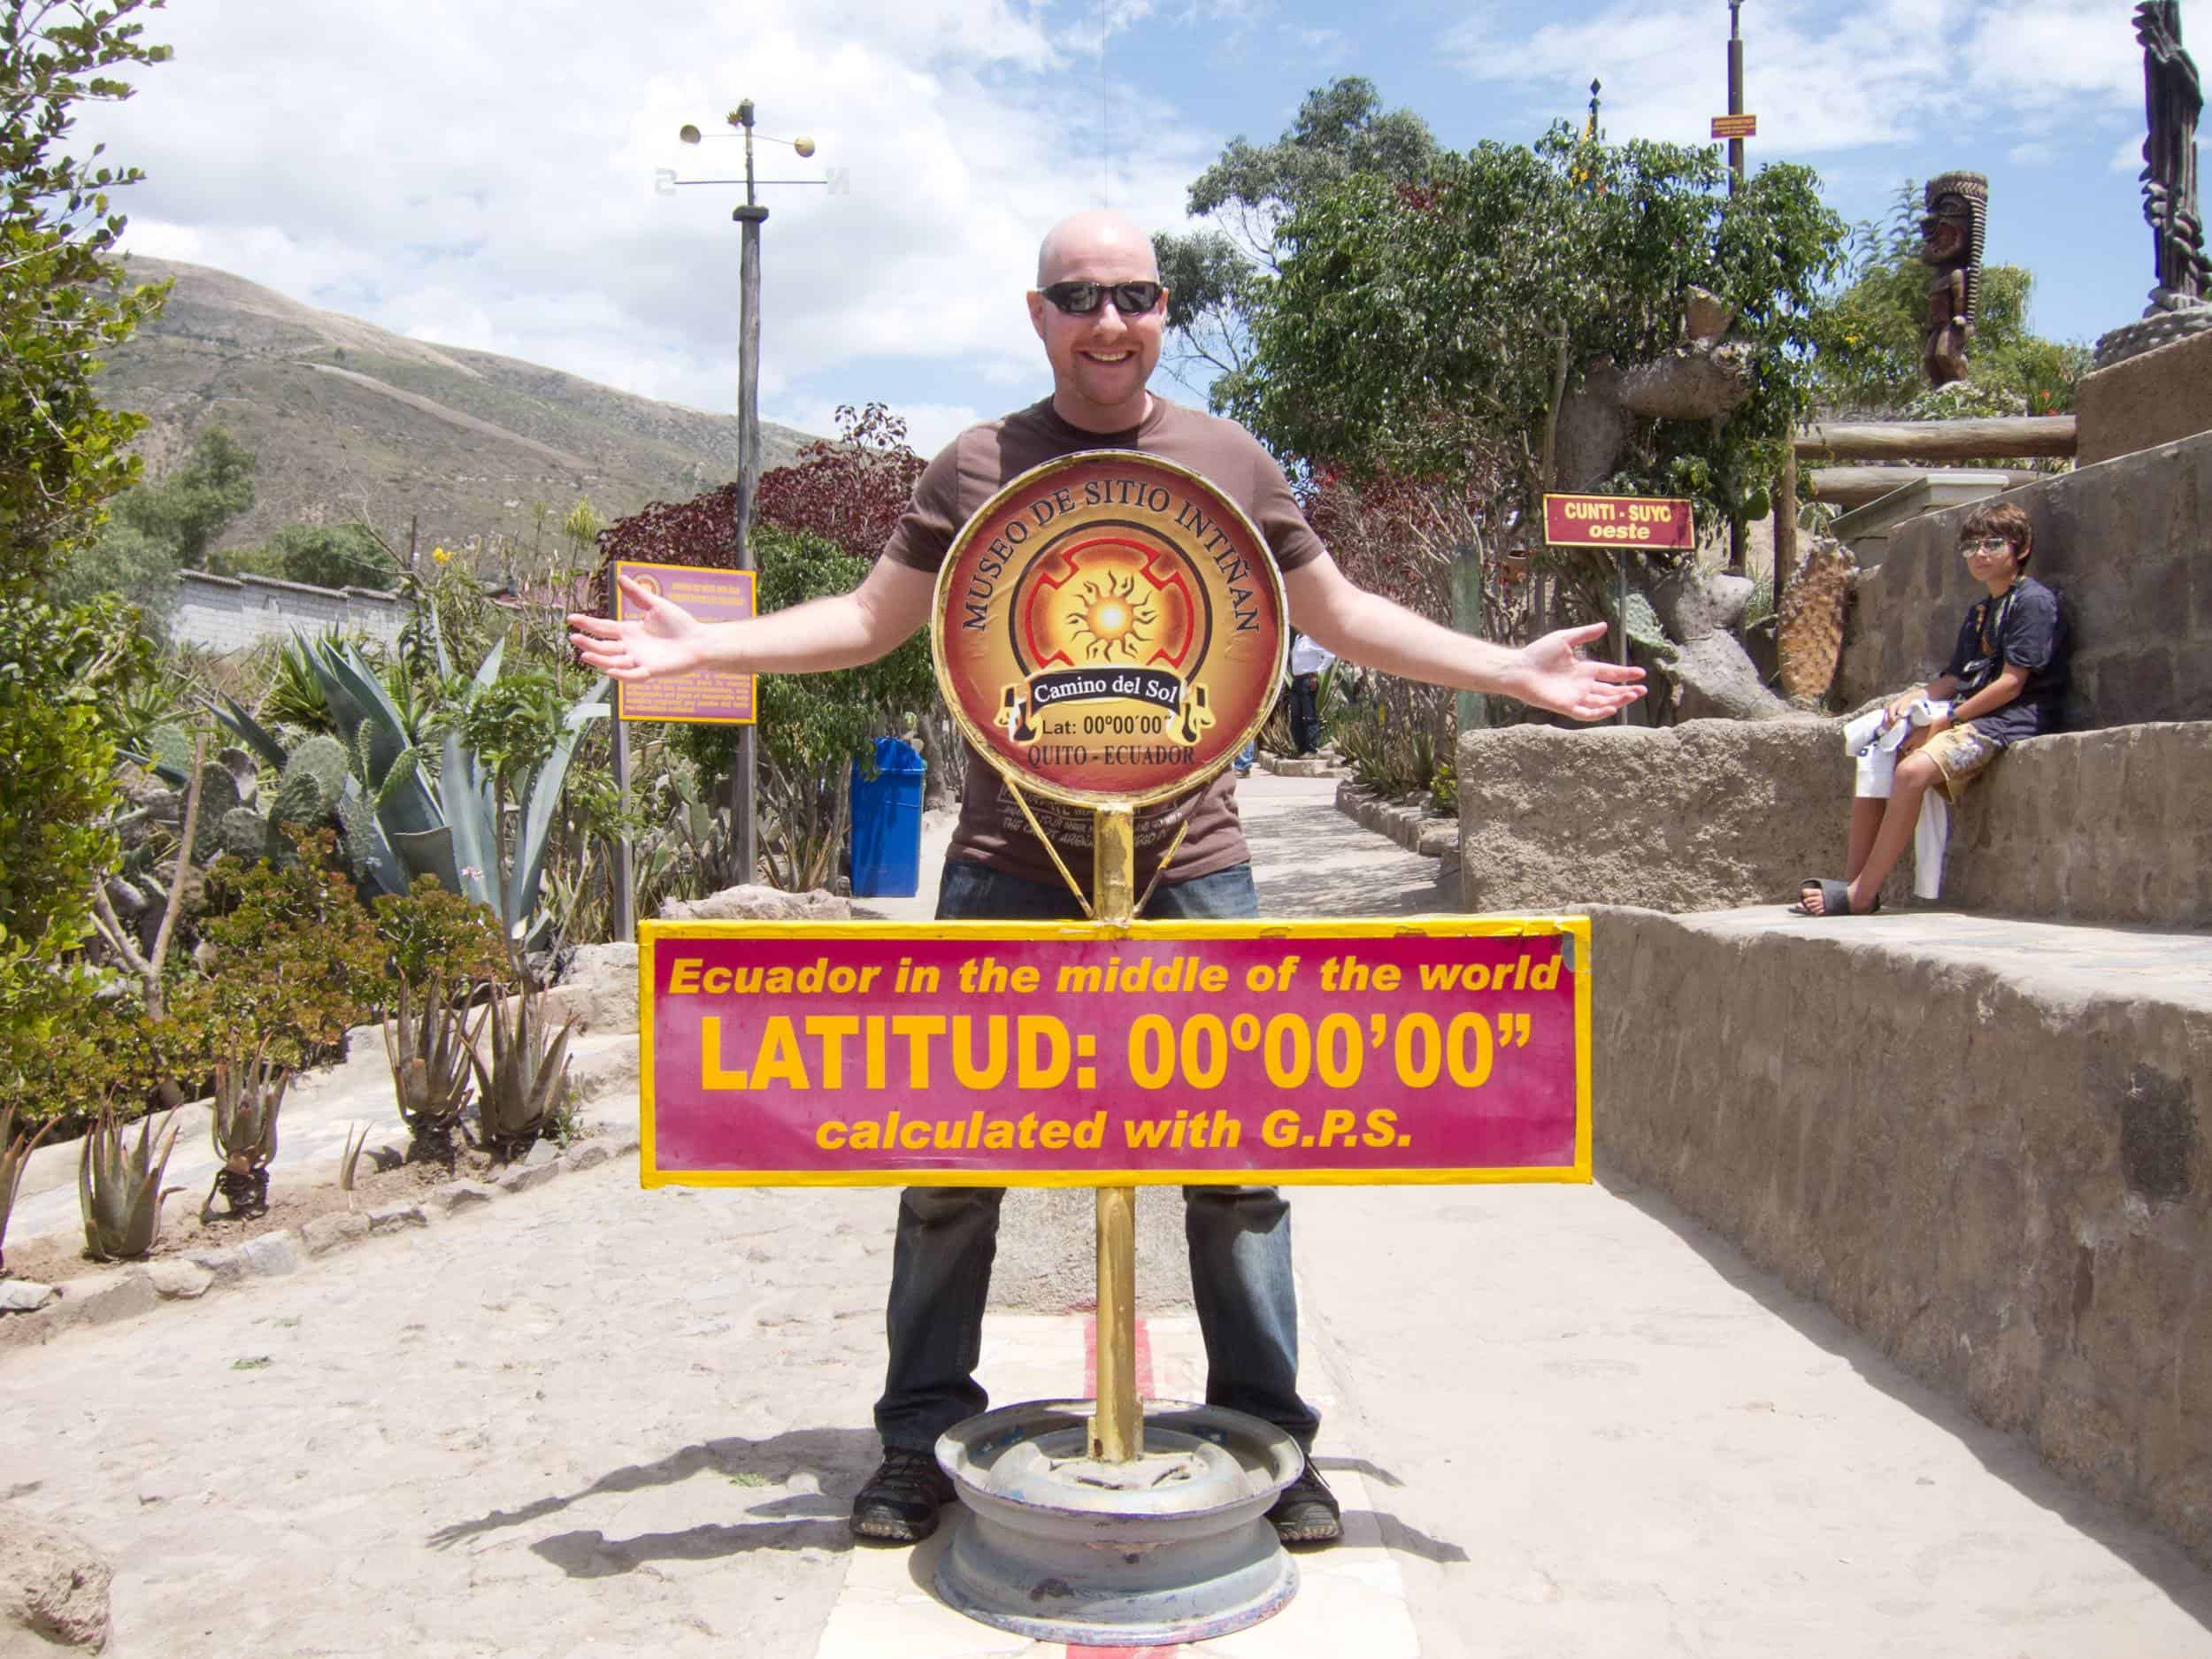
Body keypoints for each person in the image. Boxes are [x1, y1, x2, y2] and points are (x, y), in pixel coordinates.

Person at [569, 208, 1644, 1551]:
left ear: (1164, 306)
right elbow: (869, 619)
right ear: (1038, 314)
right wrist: (701, 648)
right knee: (952, 1162)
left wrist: (1509, 671)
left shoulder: (1227, 460)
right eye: (1079, 295)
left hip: (1191, 859)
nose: (1108, 319)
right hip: (1008, 862)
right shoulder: (981, 464)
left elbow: (1338, 614)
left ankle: (1264, 1430)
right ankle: (915, 1438)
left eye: (1133, 293)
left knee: (1238, 1158)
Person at [1792, 500, 2065, 918]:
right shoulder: (1979, 612)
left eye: (1993, 544)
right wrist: (1913, 697)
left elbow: (2012, 685)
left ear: (2021, 549)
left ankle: (1863, 894)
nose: (1981, 555)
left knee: (1912, 771)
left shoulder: (2033, 602)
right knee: (1875, 749)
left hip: (2011, 720)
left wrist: (1945, 721)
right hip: (1967, 712)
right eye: (1972, 547)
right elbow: (1954, 677)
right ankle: (1852, 881)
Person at [1287, 629, 1335, 755]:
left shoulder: (1312, 638)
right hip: (1296, 681)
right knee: (1295, 716)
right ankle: (1301, 748)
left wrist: (1317, 673)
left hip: (1308, 680)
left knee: (1309, 716)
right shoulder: (1298, 638)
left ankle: (1311, 749)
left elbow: (1330, 655)